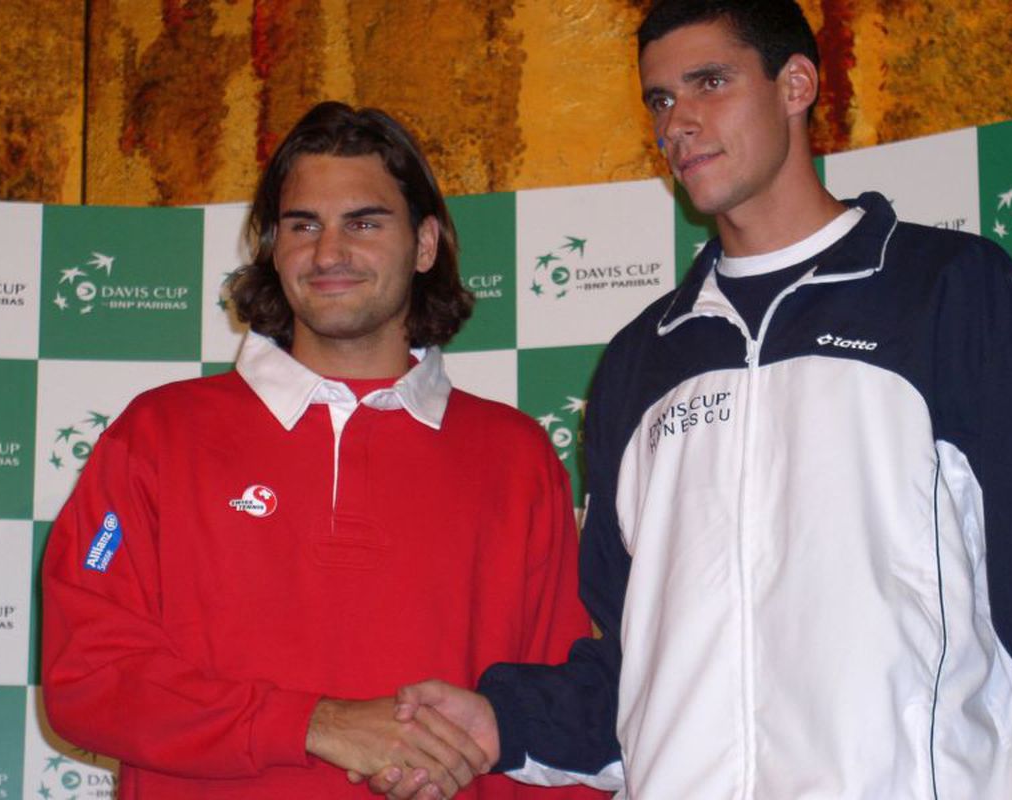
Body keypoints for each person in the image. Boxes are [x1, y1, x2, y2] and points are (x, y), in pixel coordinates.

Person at [375, 1, 1012, 797]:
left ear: (796, 84)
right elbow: (633, 666)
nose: (679, 123)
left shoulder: (948, 290)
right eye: (661, 100)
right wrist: (507, 721)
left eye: (710, 83)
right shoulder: (641, 358)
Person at [42, 101, 604, 800]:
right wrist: (316, 723)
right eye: (302, 225)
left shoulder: (516, 456)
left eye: (364, 223)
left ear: (425, 245)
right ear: (275, 249)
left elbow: (557, 730)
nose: (329, 252)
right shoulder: (156, 435)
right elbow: (87, 681)